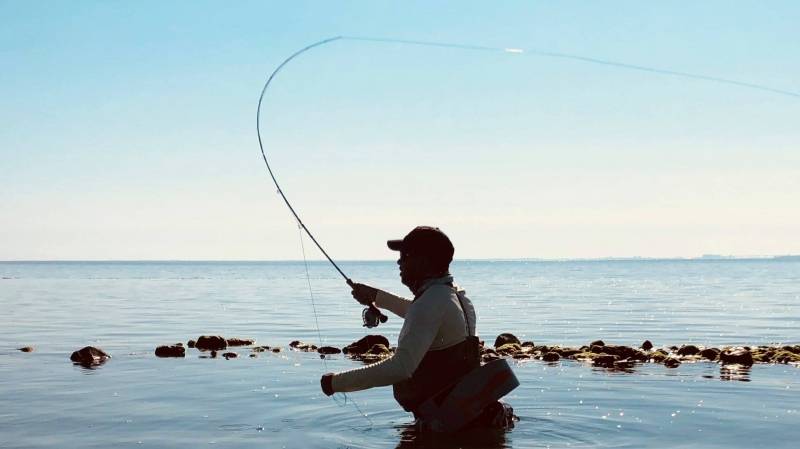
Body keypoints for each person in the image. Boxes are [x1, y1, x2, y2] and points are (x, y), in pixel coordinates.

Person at [319, 226, 516, 430]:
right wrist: (376, 296)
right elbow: (417, 312)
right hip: (469, 415)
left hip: (450, 426)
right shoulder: (455, 296)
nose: (399, 262)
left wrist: (335, 383)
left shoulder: (431, 302)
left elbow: (401, 367)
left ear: (423, 261)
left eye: (405, 256)